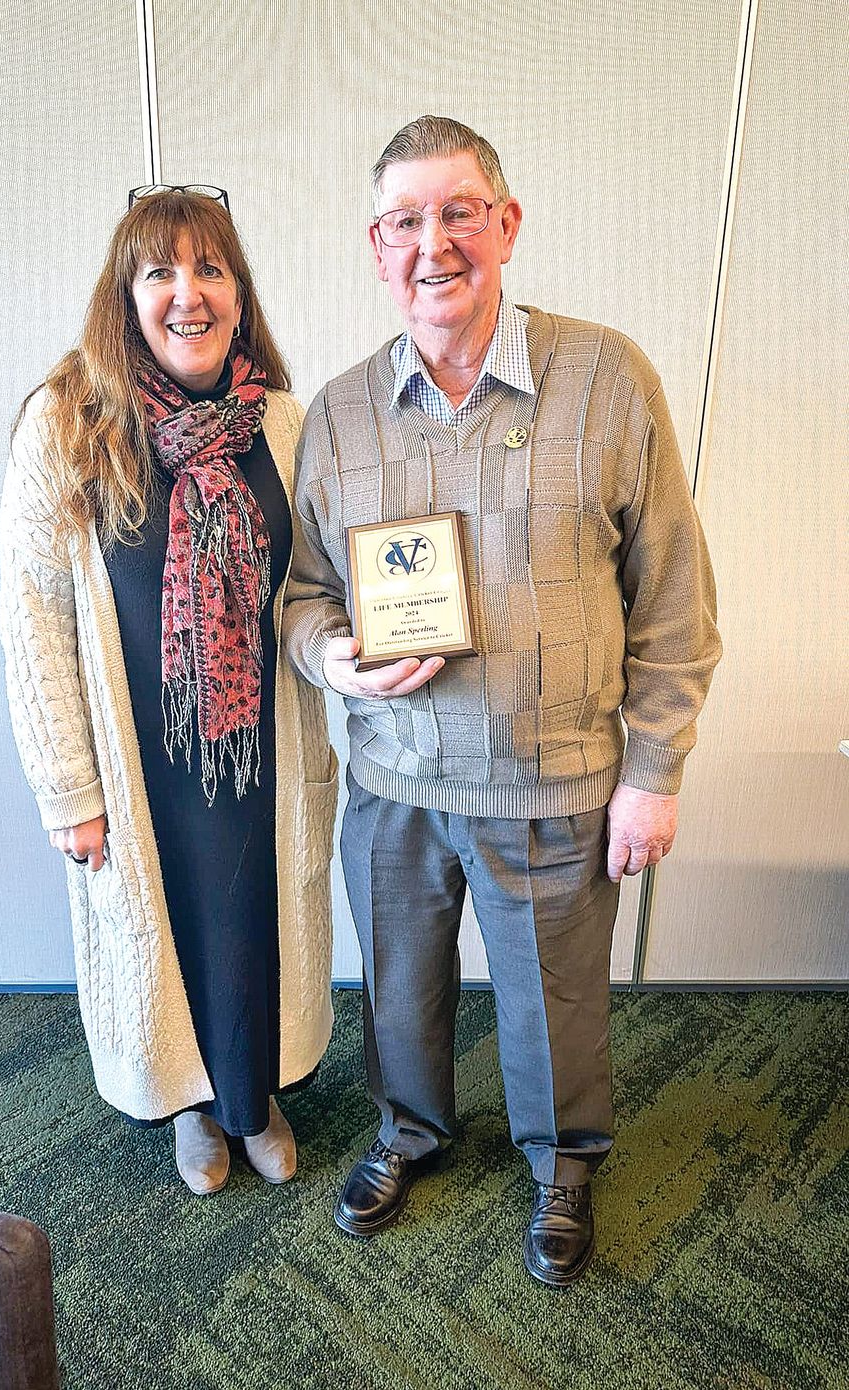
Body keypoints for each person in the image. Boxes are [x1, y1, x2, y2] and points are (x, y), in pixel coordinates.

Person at [284, 118, 721, 1284]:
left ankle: (563, 1162)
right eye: (404, 222)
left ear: (505, 225)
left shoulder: (605, 376)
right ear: (378, 250)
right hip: (393, 780)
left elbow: (673, 596)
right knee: (400, 985)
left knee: (552, 1003)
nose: (433, 243)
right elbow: (301, 595)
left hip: (554, 775)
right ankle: (407, 1132)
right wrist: (335, 660)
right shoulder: (336, 413)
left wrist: (653, 772)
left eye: (458, 212)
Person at [0, 186, 337, 1195]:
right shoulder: (67, 423)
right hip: (136, 759)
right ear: (126, 294)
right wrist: (69, 786)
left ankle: (252, 1095)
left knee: (252, 921)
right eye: (161, 273)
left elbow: (316, 582)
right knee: (164, 931)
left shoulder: (278, 418)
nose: (188, 295)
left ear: (238, 292)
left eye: (211, 270)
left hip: (260, 751)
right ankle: (189, 1103)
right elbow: (31, 615)